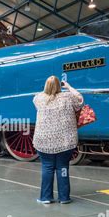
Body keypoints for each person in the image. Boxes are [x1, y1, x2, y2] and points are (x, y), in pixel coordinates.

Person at [32, 76, 83, 204]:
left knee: (47, 167)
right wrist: (69, 87)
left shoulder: (38, 98)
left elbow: (41, 95)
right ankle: (64, 197)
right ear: (60, 86)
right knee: (62, 167)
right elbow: (80, 100)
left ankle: (45, 197)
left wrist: (48, 89)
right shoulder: (68, 97)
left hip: (43, 141)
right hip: (65, 142)